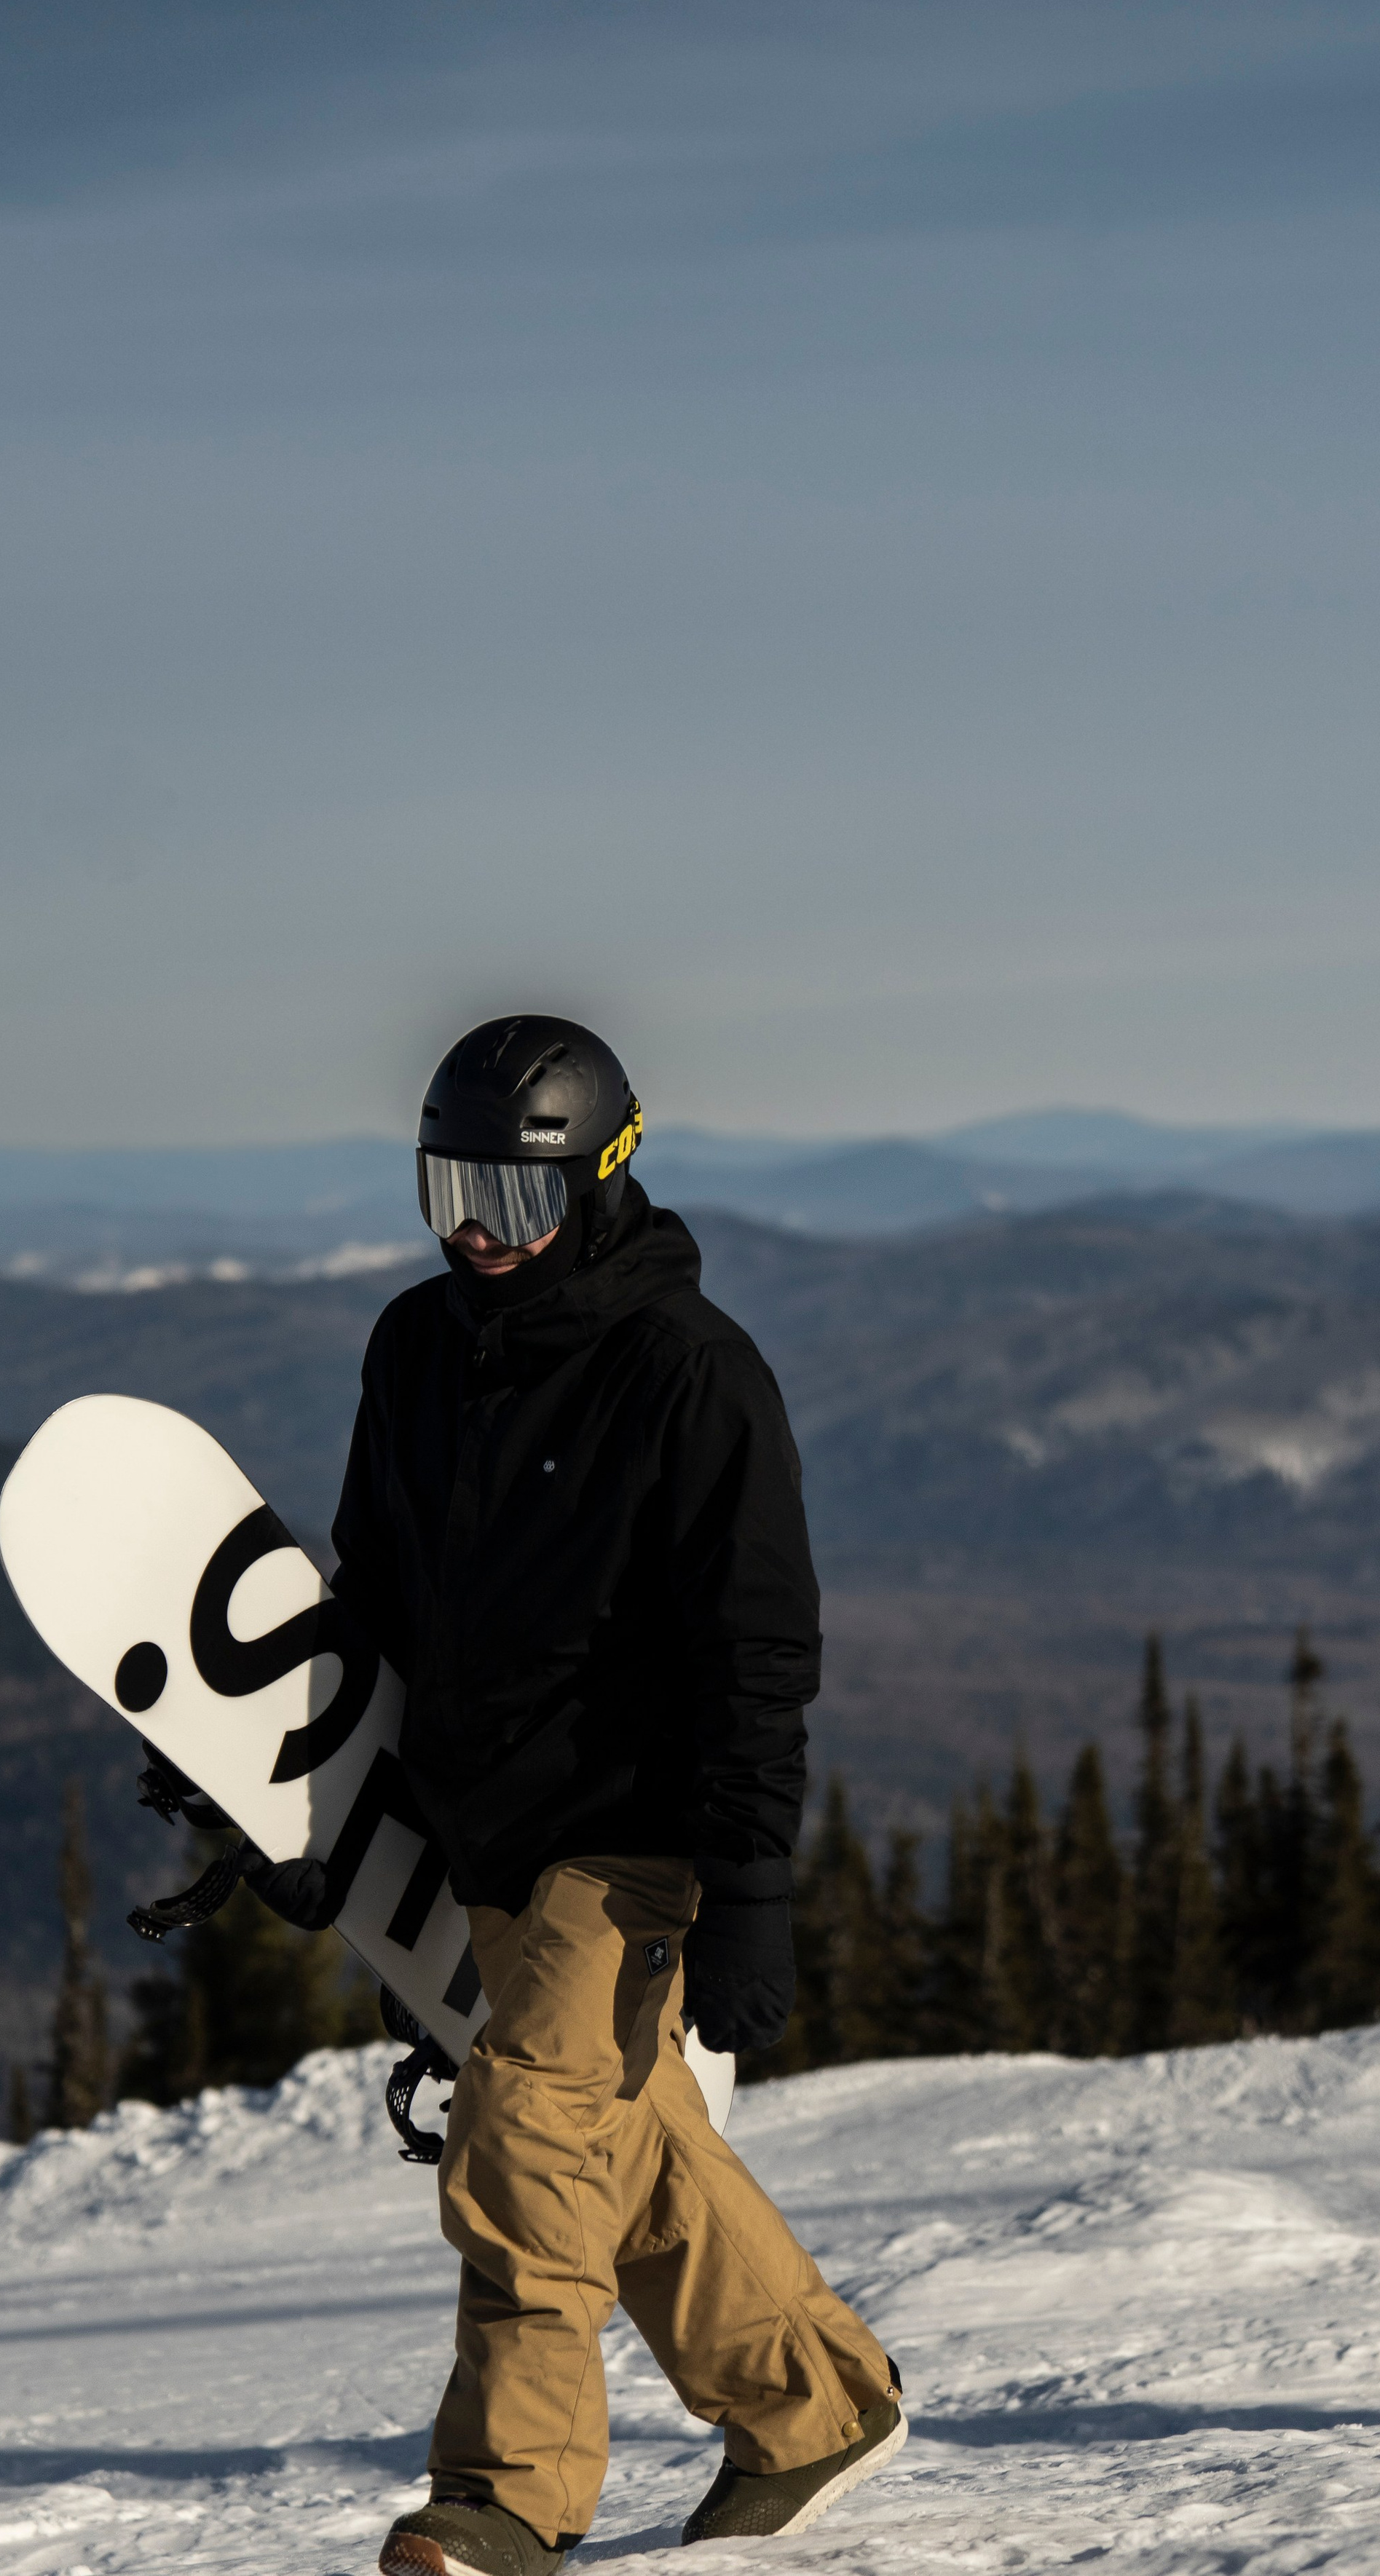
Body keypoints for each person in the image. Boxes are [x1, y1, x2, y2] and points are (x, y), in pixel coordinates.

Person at [323, 1015, 904, 2576]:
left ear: (597, 1184)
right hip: (478, 1829)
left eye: (510, 1202)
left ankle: (505, 2499)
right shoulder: (415, 1349)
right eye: (448, 1187)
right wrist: (308, 1792)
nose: (471, 1232)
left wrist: (750, 1891)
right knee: (626, 2139)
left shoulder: (687, 1375)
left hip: (628, 1837)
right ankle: (811, 2405)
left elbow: (754, 1654)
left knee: (528, 2138)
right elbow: (372, 1591)